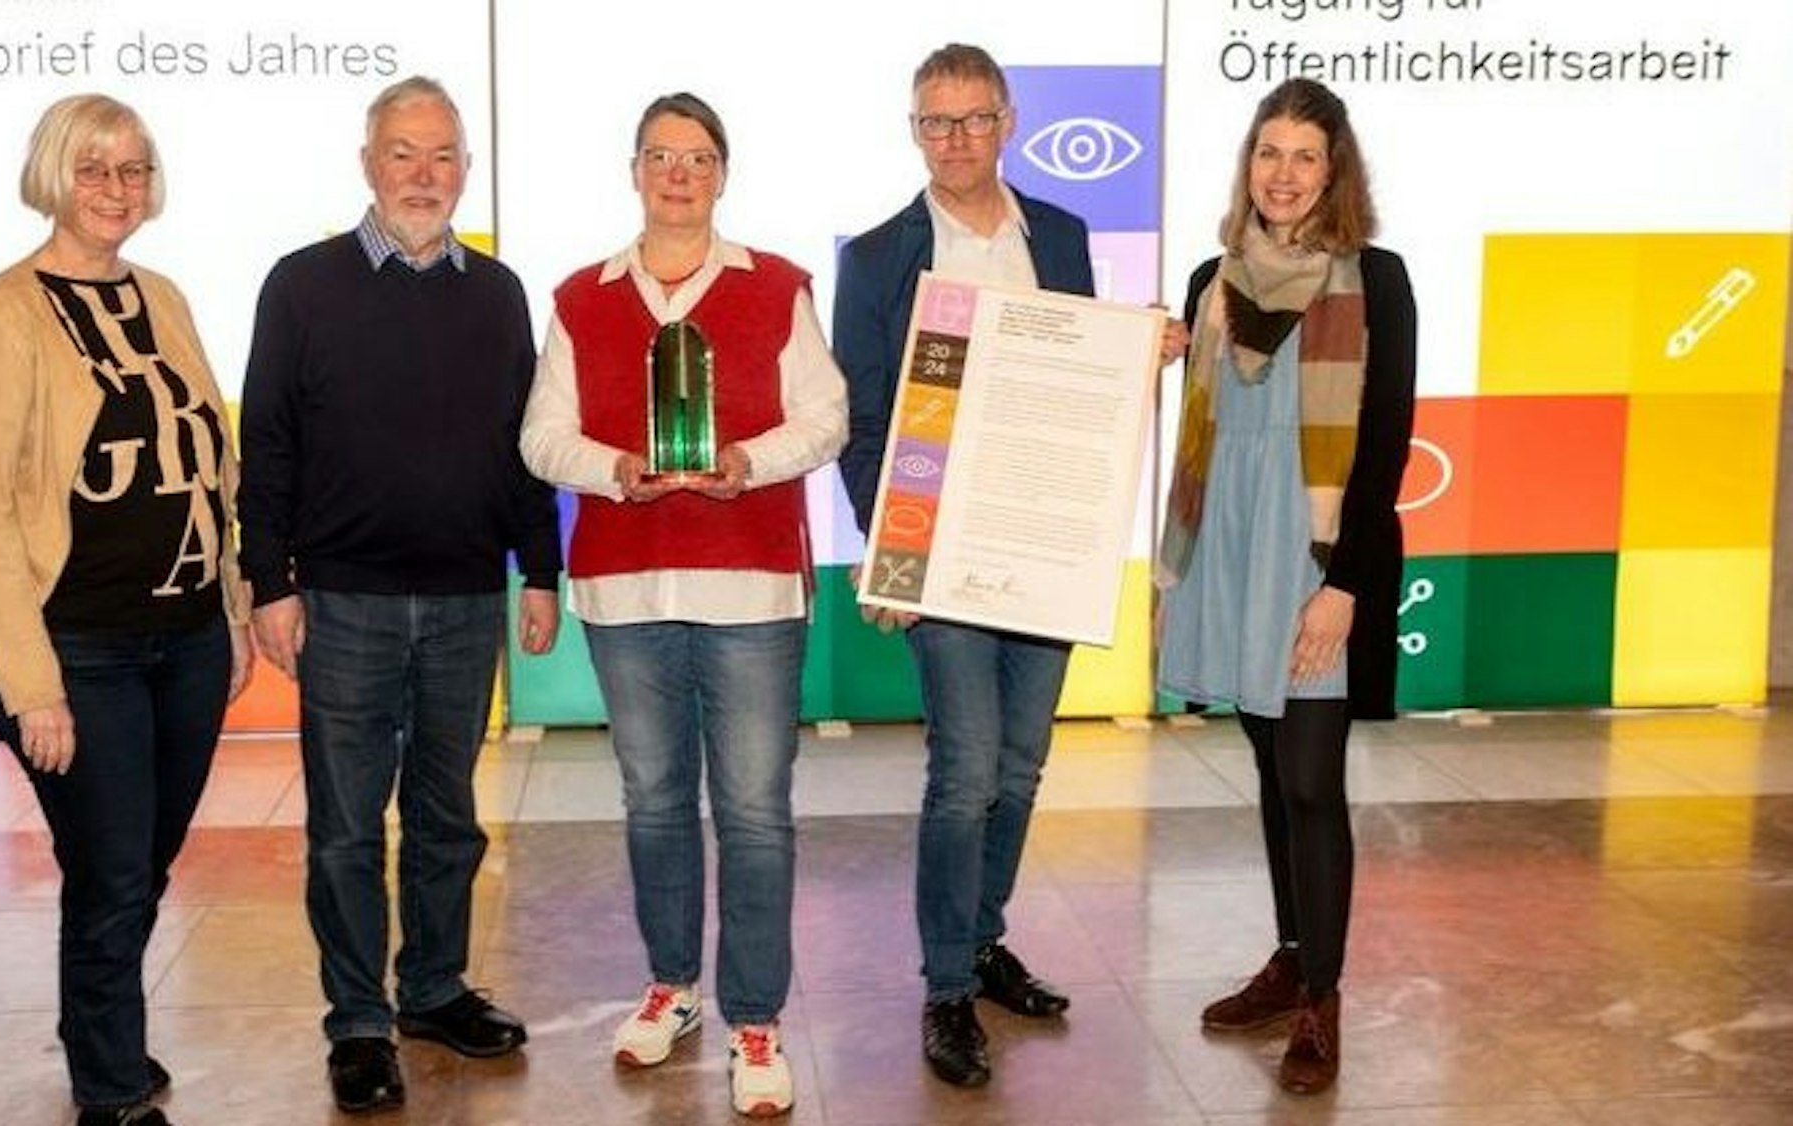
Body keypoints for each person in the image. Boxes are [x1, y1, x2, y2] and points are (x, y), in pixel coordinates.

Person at [237, 75, 562, 1115]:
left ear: (464, 169)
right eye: (402, 154)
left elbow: (523, 446)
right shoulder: (300, 284)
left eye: (442, 156)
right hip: (341, 604)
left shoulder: (499, 291)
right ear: (368, 163)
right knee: (342, 827)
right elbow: (268, 447)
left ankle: (429, 990)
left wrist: (540, 568)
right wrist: (267, 581)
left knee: (445, 817)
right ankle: (358, 1023)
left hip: (467, 599)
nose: (423, 175)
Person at [520, 91, 846, 1118]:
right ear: (633, 171)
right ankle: (672, 985)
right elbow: (540, 437)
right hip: (625, 585)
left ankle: (754, 1013)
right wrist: (613, 469)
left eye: (697, 157)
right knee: (654, 803)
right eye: (660, 155)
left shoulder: (776, 286)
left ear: (721, 173)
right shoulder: (579, 296)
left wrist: (748, 461)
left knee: (752, 811)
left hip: (749, 579)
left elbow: (827, 418)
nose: (677, 173)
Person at [0, 93, 252, 1126]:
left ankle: (100, 1034)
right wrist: (33, 685)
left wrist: (234, 605)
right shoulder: (4, 315)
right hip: (73, 650)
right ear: (53, 176)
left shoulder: (160, 295)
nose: (117, 189)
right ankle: (111, 1088)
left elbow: (215, 461)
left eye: (134, 168)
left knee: (139, 863)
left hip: (187, 638)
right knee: (113, 869)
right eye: (93, 169)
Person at [836, 43, 1128, 1090]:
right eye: (933, 122)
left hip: (1042, 544)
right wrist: (890, 559)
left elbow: (1084, 384)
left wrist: (1141, 351)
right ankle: (946, 985)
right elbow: (865, 422)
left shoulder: (1060, 233)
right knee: (962, 774)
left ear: (1007, 122)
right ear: (912, 131)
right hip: (941, 554)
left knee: (1018, 766)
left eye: (971, 120)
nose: (953, 140)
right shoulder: (876, 257)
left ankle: (983, 935)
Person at [1156, 76, 1417, 1096]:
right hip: (1229, 545)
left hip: (1314, 562)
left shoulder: (1376, 280)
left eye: (1304, 156)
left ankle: (1321, 994)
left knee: (1310, 776)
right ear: (1247, 165)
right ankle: (1286, 951)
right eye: (1268, 153)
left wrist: (1343, 584)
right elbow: (1197, 437)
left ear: (1334, 168)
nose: (1283, 174)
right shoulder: (1207, 281)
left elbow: (1385, 440)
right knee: (1268, 767)